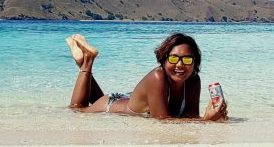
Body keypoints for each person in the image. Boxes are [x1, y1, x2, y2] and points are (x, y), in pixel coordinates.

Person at [66, 32, 228, 121]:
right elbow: (162, 121)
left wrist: (215, 115)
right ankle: (88, 60)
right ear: (163, 60)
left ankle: (83, 59)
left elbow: (189, 117)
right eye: (173, 58)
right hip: (109, 106)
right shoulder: (157, 78)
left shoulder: (193, 80)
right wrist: (206, 120)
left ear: (194, 63)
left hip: (126, 99)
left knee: (82, 105)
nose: (180, 65)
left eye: (187, 59)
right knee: (76, 109)